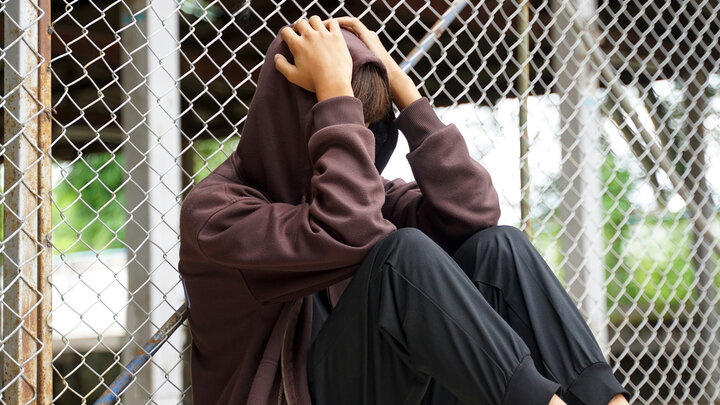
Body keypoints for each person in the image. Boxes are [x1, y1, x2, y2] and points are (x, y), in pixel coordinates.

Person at [178, 14, 632, 405]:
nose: (363, 138)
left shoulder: (369, 195)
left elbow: (475, 213)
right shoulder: (217, 213)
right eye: (343, 119)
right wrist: (334, 90)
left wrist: (405, 93)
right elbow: (346, 231)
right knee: (401, 254)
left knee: (500, 247)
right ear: (300, 121)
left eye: (370, 125)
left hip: (388, 388)